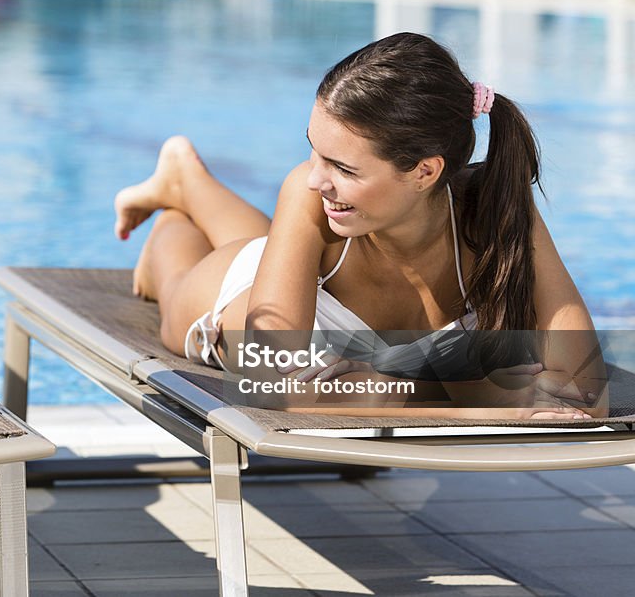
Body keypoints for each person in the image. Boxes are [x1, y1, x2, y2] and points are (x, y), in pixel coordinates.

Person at [114, 32, 607, 420]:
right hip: (243, 303)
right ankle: (179, 199)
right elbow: (266, 378)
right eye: (314, 149)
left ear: (425, 171)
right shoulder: (308, 196)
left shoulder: (496, 205)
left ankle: (185, 178)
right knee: (178, 281)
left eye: (344, 169)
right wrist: (481, 392)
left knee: (272, 239)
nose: (314, 178)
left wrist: (393, 387)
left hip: (309, 276)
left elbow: (582, 383)